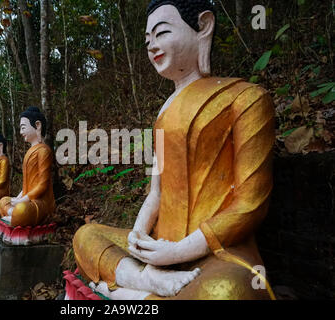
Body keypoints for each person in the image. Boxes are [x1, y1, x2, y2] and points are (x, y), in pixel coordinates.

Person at [72, 0, 275, 300]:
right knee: (85, 236)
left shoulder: (245, 99)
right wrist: (138, 239)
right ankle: (146, 280)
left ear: (203, 26)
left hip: (214, 253)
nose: (152, 45)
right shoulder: (162, 116)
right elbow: (157, 193)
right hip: (159, 247)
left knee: (225, 292)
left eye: (162, 32)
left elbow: (249, 204)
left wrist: (179, 250)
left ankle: (131, 294)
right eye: (147, 39)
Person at [0, 106, 55, 227]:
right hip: (27, 200)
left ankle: (16, 215)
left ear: (37, 125)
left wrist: (22, 201)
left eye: (23, 127)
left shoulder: (43, 150)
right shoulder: (30, 151)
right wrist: (17, 199)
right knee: (3, 201)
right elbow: (26, 185)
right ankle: (15, 215)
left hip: (40, 202)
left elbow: (42, 185)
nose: (20, 132)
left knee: (22, 210)